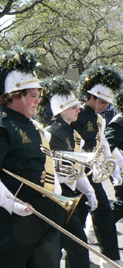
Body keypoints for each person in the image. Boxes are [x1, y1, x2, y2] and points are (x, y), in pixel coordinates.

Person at [0, 50, 65, 268]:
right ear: (13, 94)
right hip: (8, 223)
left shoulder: (33, 126)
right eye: (33, 95)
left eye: (39, 94)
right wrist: (13, 204)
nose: (39, 100)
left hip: (41, 221)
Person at [37, 76, 98, 268]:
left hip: (70, 193)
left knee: (61, 246)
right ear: (62, 110)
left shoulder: (73, 134)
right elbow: (50, 168)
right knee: (76, 245)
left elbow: (77, 170)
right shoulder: (52, 133)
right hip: (57, 194)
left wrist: (89, 191)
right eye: (74, 108)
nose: (79, 110)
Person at [71, 65, 123, 268]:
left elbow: (104, 145)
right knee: (73, 224)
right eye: (102, 101)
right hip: (73, 176)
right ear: (91, 96)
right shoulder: (76, 115)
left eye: (108, 102)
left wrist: (116, 170)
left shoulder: (100, 119)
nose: (105, 106)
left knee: (104, 218)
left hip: (93, 175)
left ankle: (110, 261)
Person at [106, 90, 123, 223]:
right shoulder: (118, 122)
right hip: (121, 170)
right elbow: (108, 144)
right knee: (121, 205)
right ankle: (100, 227)